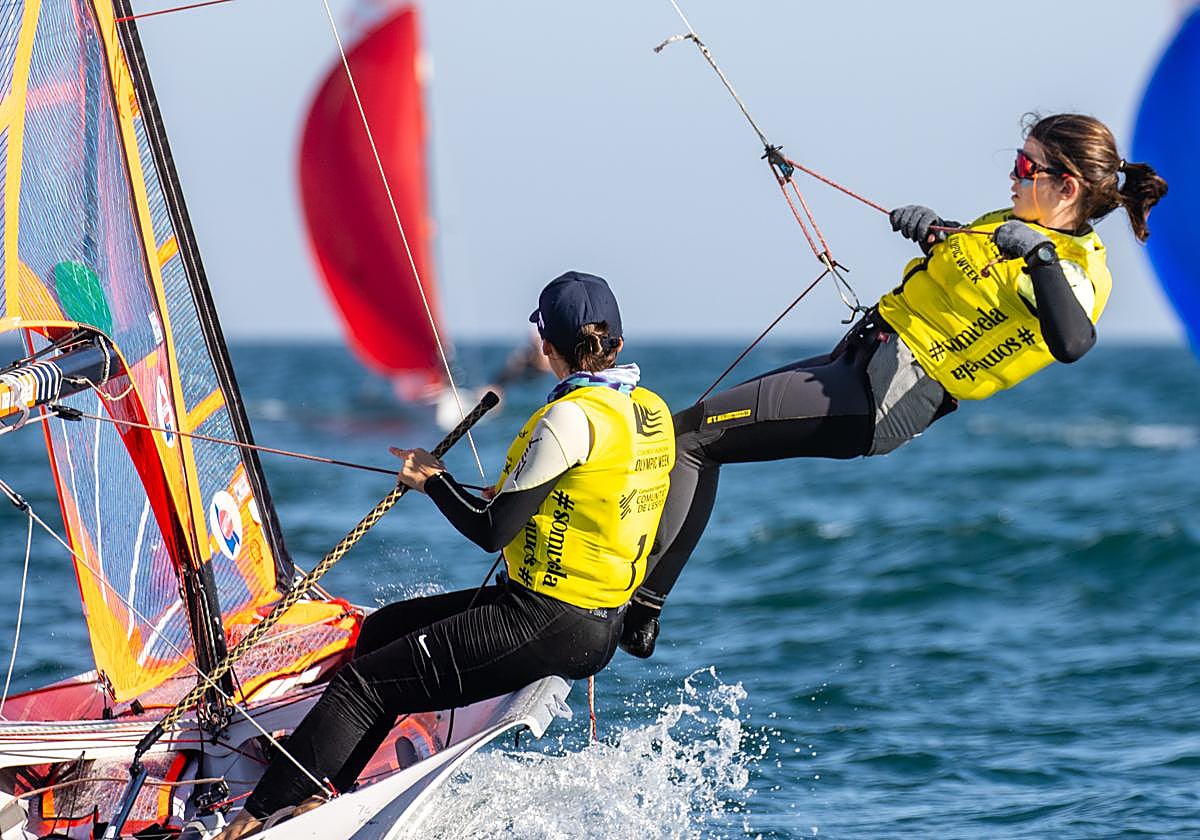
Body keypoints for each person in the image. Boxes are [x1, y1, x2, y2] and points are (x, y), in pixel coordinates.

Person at [619, 113, 1168, 659]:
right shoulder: (1016, 223)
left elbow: (1073, 340)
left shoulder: (1072, 267)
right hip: (858, 361)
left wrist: (1039, 254)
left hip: (884, 396)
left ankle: (637, 611)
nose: (1013, 175)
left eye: (1026, 166)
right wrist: (936, 232)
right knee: (690, 433)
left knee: (691, 442)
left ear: (1066, 187)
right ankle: (634, 604)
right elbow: (979, 284)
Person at [219, 271, 674, 837]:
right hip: (598, 621)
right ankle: (321, 795)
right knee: (383, 631)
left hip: (549, 620)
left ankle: (250, 821)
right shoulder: (650, 411)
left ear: (545, 347)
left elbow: (491, 530)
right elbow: (604, 495)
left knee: (363, 686)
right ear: (618, 343)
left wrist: (431, 480)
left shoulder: (568, 417)